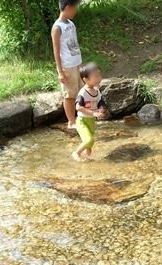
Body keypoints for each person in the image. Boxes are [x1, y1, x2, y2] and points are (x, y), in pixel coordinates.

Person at [51, 0, 83, 129]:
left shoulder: (71, 24)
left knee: (81, 90)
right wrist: (60, 71)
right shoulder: (57, 27)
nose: (76, 11)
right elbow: (56, 51)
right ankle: (71, 121)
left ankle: (81, 117)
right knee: (69, 95)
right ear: (68, 7)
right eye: (75, 8)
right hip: (67, 66)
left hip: (77, 63)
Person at [73, 62, 108, 161]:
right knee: (88, 140)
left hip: (91, 121)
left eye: (99, 75)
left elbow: (100, 102)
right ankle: (76, 153)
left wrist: (101, 110)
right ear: (86, 79)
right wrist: (93, 113)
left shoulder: (97, 91)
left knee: (90, 143)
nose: (99, 78)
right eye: (95, 76)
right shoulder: (83, 93)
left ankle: (87, 158)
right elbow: (78, 107)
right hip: (82, 121)